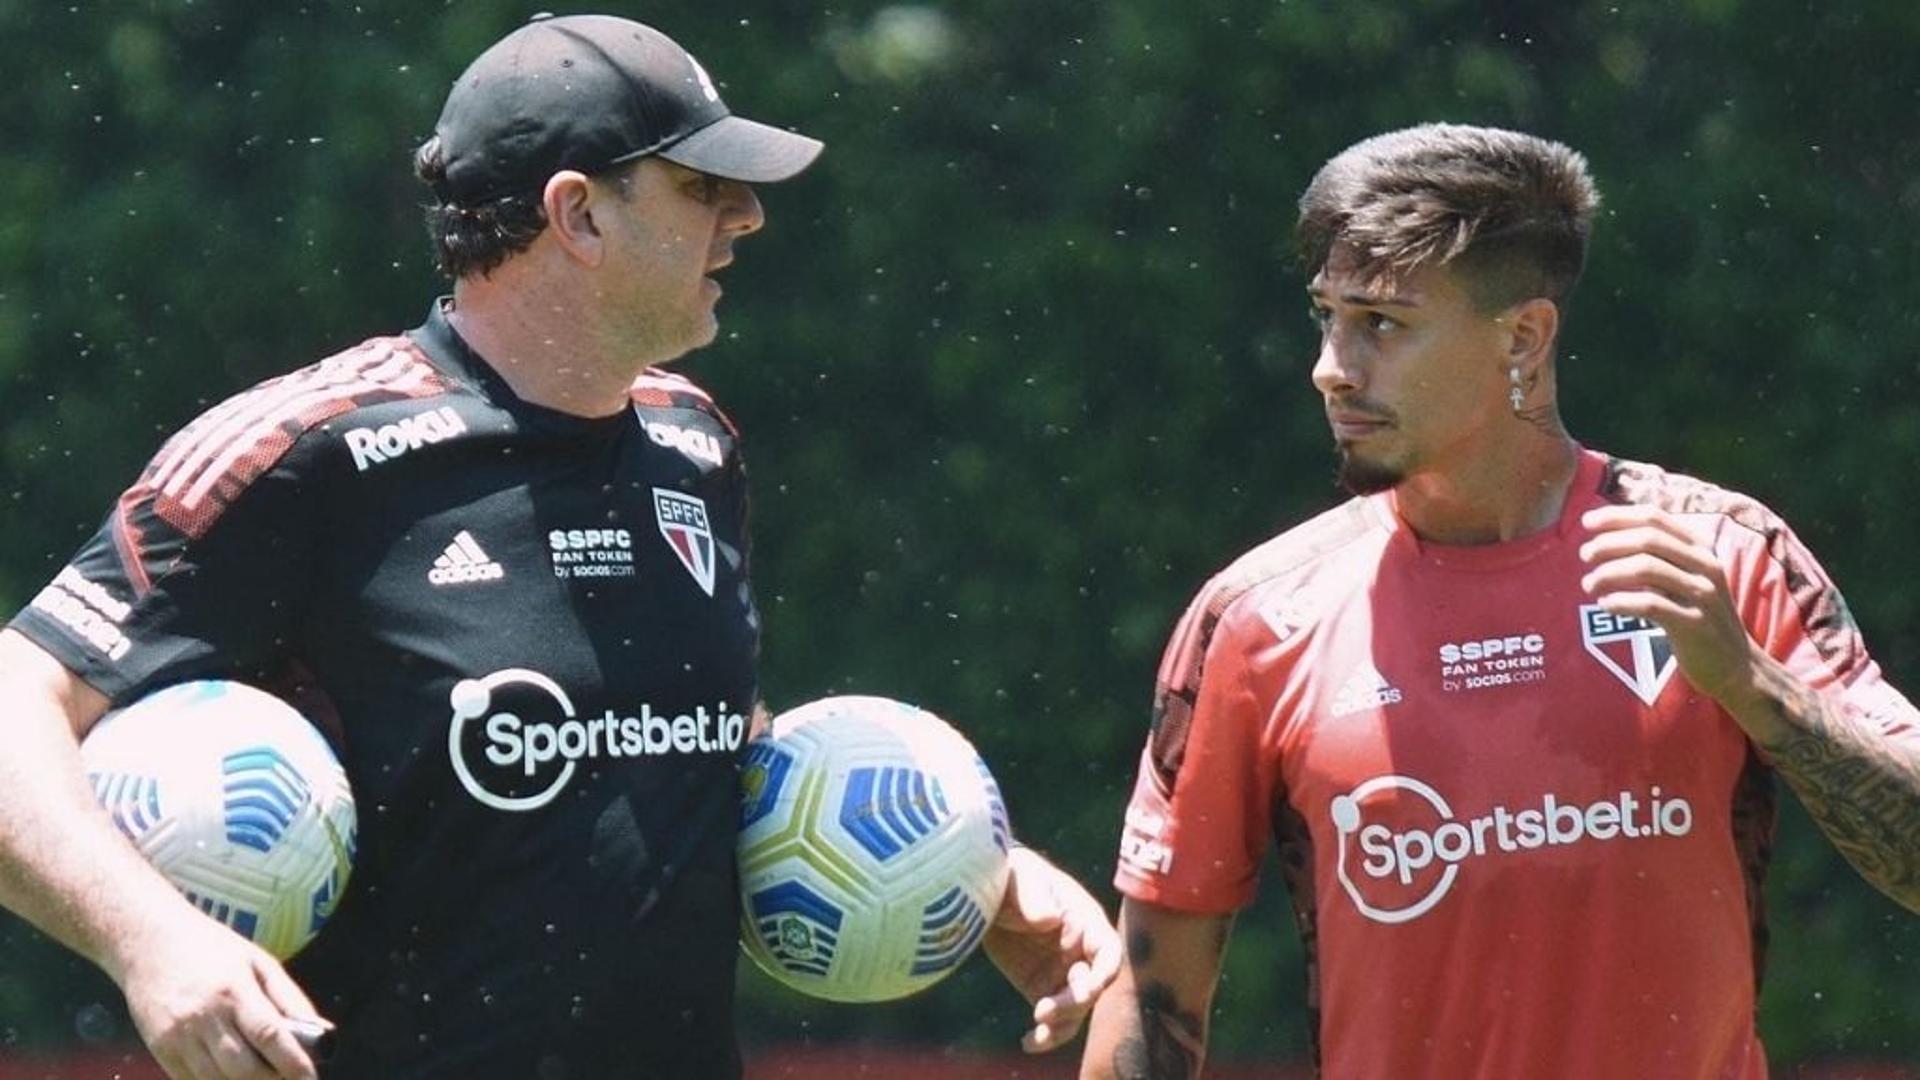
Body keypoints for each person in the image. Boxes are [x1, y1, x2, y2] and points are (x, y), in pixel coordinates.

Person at [0, 14, 1117, 1079]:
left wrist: (971, 873)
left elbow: (681, 741)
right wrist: (149, 942)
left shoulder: (695, 445)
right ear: (577, 215)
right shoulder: (310, 452)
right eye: (701, 187)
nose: (748, 218)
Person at [1078, 123, 1920, 1080]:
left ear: (1524, 335)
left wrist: (1750, 683)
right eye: (1327, 316)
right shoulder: (1256, 619)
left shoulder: (1721, 554)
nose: (1331, 366)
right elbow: (1155, 1000)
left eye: (1382, 324)